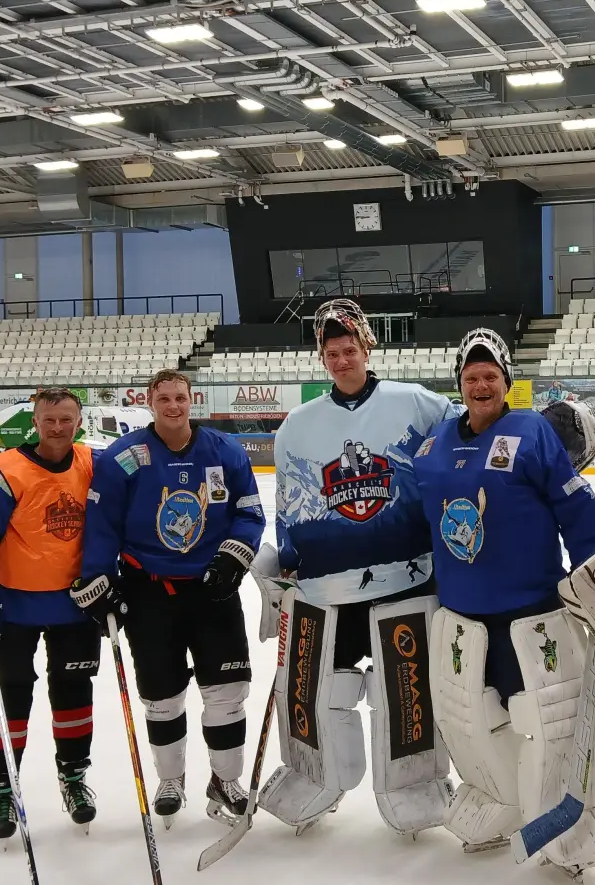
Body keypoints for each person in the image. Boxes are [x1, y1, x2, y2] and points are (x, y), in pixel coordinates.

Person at [411, 330, 595, 872]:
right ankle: (499, 800)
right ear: (459, 383)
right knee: (470, 720)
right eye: (471, 376)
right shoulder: (435, 445)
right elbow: (415, 524)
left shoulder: (530, 431)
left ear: (507, 382)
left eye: (491, 376)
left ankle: (567, 820)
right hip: (462, 616)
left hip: (531, 613)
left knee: (552, 719)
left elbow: (577, 513)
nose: (481, 385)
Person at [258, 298, 460, 837]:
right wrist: (286, 569)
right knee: (321, 689)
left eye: (349, 349)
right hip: (326, 589)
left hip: (408, 581)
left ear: (367, 349)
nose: (341, 360)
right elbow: (290, 503)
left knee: (405, 689)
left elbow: (464, 448)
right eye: (331, 352)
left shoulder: (415, 402)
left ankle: (414, 780)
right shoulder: (298, 425)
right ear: (322, 359)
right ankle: (314, 774)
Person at [74, 369, 266, 830]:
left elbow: (249, 512)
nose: (174, 406)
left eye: (180, 397)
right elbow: (102, 526)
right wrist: (98, 581)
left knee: (226, 694)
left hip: (213, 590)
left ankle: (225, 781)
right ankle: (170, 780)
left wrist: (235, 557)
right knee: (162, 697)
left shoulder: (225, 451)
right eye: (164, 398)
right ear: (150, 400)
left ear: (191, 399)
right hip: (148, 593)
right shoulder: (124, 458)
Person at [0, 388, 100, 842]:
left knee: (74, 692)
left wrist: (112, 580)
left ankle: (74, 780)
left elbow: (112, 524)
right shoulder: (3, 472)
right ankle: (3, 788)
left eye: (66, 419)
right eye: (48, 419)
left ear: (79, 421)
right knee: (9, 697)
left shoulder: (92, 464)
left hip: (75, 605)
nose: (57, 427)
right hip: (12, 608)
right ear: (34, 422)